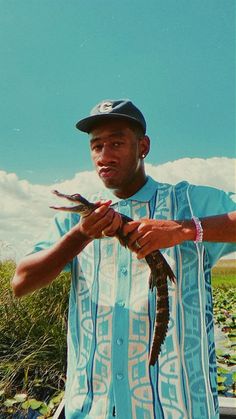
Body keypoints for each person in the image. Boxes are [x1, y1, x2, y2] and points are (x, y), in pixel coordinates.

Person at [12, 99, 236, 419]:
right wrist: (81, 235)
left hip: (179, 409)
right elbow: (20, 283)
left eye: (116, 143)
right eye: (97, 145)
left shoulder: (189, 201)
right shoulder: (73, 224)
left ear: (142, 146)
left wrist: (185, 228)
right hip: (93, 409)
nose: (104, 156)